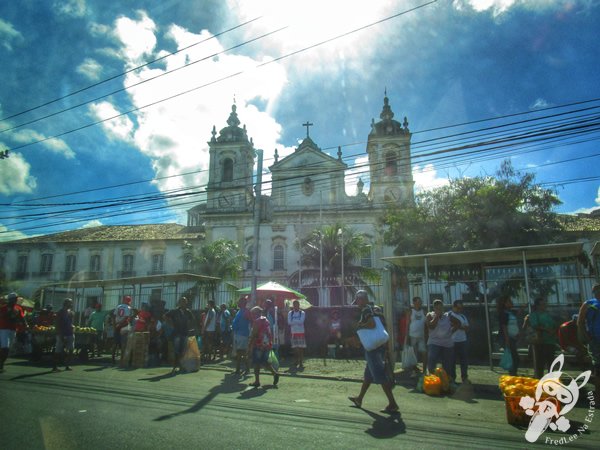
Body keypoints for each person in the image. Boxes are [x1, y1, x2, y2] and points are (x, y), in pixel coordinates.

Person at [348, 290, 399, 414]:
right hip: (380, 344)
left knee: (379, 375)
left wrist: (360, 325)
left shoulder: (366, 309)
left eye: (358, 301)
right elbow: (383, 328)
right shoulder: (377, 309)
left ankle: (392, 403)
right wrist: (386, 347)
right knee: (368, 375)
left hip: (373, 348)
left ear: (362, 299)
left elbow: (371, 325)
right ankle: (359, 399)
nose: (357, 304)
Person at [524, 297, 557, 379]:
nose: (544, 305)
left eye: (545, 304)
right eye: (542, 304)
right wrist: (546, 329)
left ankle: (551, 380)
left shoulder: (548, 314)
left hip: (551, 341)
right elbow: (534, 325)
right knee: (540, 363)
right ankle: (539, 379)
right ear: (537, 306)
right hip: (540, 342)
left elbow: (554, 324)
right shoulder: (534, 315)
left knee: (551, 362)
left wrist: (553, 330)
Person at [247, 306, 279, 388]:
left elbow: (254, 335)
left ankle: (257, 381)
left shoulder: (257, 321)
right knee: (265, 362)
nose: (252, 315)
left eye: (253, 314)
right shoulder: (266, 320)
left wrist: (249, 345)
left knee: (256, 363)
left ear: (256, 313)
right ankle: (275, 373)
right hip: (267, 345)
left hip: (258, 345)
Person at [577, 283, 600, 394]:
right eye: (596, 290)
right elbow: (580, 322)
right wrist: (587, 337)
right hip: (595, 340)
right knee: (598, 367)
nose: (597, 292)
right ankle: (598, 395)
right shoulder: (588, 304)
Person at [426, 299, 457, 377]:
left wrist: (450, 332)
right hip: (434, 342)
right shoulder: (430, 315)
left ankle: (447, 380)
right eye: (437, 308)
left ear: (443, 308)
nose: (439, 309)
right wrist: (437, 316)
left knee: (447, 364)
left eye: (440, 308)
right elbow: (431, 326)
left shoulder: (448, 316)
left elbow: (458, 323)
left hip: (447, 343)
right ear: (434, 308)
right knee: (432, 359)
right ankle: (432, 378)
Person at [166, 297, 196, 374]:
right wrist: (171, 324)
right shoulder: (175, 311)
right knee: (177, 350)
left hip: (185, 333)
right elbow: (165, 316)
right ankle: (175, 366)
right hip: (177, 333)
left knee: (183, 350)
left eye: (185, 302)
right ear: (179, 303)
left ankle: (181, 366)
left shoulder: (188, 312)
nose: (183, 303)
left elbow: (193, 320)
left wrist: (190, 328)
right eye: (182, 301)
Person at [0, 292, 27, 373]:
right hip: (4, 329)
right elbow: (4, 317)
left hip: (13, 330)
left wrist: (26, 324)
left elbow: (22, 318)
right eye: (14, 299)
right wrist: (10, 315)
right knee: (5, 347)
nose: (15, 300)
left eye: (16, 299)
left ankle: (1, 363)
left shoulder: (18, 308)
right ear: (10, 300)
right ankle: (1, 364)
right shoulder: (3, 308)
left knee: (8, 348)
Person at [498, 295, 520, 376]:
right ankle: (512, 374)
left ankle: (513, 373)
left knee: (514, 356)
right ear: (504, 303)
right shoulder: (503, 313)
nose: (511, 303)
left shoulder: (511, 312)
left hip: (513, 337)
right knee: (514, 357)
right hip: (507, 338)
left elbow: (518, 313)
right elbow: (504, 326)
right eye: (509, 301)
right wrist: (507, 339)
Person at [449, 300, 470, 383]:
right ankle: (452, 377)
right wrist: (460, 326)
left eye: (461, 308)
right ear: (453, 307)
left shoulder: (463, 316)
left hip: (462, 340)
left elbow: (467, 328)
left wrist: (458, 326)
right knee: (452, 360)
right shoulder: (449, 315)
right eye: (458, 308)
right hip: (452, 340)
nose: (459, 310)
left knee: (464, 360)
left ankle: (464, 377)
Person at [53, 298, 75, 372]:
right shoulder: (60, 312)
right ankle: (55, 366)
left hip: (70, 333)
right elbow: (57, 324)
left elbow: (70, 322)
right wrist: (60, 334)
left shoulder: (71, 312)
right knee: (58, 351)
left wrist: (72, 326)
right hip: (62, 333)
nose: (71, 304)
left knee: (71, 350)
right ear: (66, 304)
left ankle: (67, 365)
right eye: (70, 303)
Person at [407, 296, 427, 373]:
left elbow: (426, 324)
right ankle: (414, 369)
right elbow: (408, 323)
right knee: (413, 353)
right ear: (414, 303)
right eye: (418, 302)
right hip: (412, 335)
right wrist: (407, 335)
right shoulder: (411, 311)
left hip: (421, 336)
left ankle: (425, 370)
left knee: (424, 352)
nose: (419, 304)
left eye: (420, 302)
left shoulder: (423, 312)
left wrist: (426, 335)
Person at [232, 297, 251, 376]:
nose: (238, 303)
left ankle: (242, 370)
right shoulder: (240, 311)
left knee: (241, 353)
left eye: (239, 302)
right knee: (240, 353)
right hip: (238, 334)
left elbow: (250, 321)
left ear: (242, 303)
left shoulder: (246, 311)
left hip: (242, 335)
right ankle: (242, 369)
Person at [112, 296, 134, 365]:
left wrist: (115, 325)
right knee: (123, 343)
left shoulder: (118, 306)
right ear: (129, 301)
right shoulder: (129, 308)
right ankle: (122, 359)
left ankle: (112, 359)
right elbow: (126, 318)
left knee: (115, 343)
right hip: (124, 326)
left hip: (117, 326)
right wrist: (120, 324)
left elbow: (114, 316)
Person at [288, 300, 306, 370]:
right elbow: (289, 322)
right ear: (293, 305)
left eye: (297, 304)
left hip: (301, 332)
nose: (295, 306)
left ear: (299, 305)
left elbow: (302, 321)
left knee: (301, 348)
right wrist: (297, 322)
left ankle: (301, 362)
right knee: (295, 348)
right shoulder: (290, 313)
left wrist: (294, 321)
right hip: (293, 333)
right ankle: (296, 361)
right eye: (294, 305)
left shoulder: (302, 313)